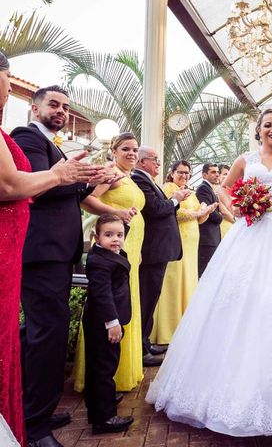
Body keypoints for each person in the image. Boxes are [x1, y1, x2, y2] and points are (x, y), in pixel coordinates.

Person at [146, 109, 272, 447]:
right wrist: (242, 204)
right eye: (267, 125)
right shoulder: (245, 159)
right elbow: (225, 190)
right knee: (242, 301)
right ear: (258, 131)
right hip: (251, 233)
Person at [0, 52, 100, 447]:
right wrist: (67, 175)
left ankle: (32, 407)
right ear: (34, 106)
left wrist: (86, 180)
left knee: (35, 333)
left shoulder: (51, 145)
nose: (61, 111)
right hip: (39, 251)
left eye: (65, 106)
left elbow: (60, 189)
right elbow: (34, 190)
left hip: (52, 251)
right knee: (47, 334)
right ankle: (35, 425)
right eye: (53, 104)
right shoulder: (26, 137)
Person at [73, 132, 146, 392]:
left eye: (135, 150)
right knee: (111, 302)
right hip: (112, 247)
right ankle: (102, 379)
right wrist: (115, 212)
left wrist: (136, 250)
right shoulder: (110, 172)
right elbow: (86, 199)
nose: (131, 154)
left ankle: (119, 373)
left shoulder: (129, 177)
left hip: (130, 249)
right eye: (125, 148)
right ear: (113, 151)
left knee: (126, 303)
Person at [132, 147, 190, 367]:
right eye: (154, 159)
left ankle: (145, 341)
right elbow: (155, 209)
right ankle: (141, 347)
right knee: (147, 297)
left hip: (159, 249)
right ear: (142, 161)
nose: (158, 163)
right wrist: (175, 200)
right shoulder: (139, 179)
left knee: (151, 296)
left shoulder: (148, 179)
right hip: (152, 249)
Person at [152, 160, 215, 345]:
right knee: (174, 281)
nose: (184, 176)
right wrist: (196, 214)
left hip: (192, 243)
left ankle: (184, 326)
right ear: (171, 173)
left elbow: (199, 220)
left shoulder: (192, 192)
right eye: (180, 172)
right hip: (176, 239)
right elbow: (175, 213)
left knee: (188, 279)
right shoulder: (168, 188)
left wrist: (206, 211)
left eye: (187, 173)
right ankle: (168, 329)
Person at [82, 214, 134, 435]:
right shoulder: (99, 262)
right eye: (109, 235)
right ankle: (104, 418)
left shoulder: (105, 252)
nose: (116, 239)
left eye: (120, 235)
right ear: (96, 237)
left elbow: (116, 239)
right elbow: (103, 295)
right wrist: (112, 323)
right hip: (104, 322)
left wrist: (127, 223)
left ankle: (98, 403)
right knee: (104, 368)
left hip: (104, 321)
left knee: (101, 366)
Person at [195, 162, 223, 278]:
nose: (217, 175)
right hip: (207, 239)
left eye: (217, 172)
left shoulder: (209, 188)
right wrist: (220, 217)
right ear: (204, 175)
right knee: (204, 274)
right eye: (213, 172)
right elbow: (207, 210)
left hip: (212, 238)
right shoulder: (203, 189)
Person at [216, 164, 235, 238]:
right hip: (225, 224)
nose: (228, 176)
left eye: (229, 174)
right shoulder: (217, 190)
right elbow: (223, 211)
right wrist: (236, 221)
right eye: (225, 174)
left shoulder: (230, 191)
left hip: (232, 224)